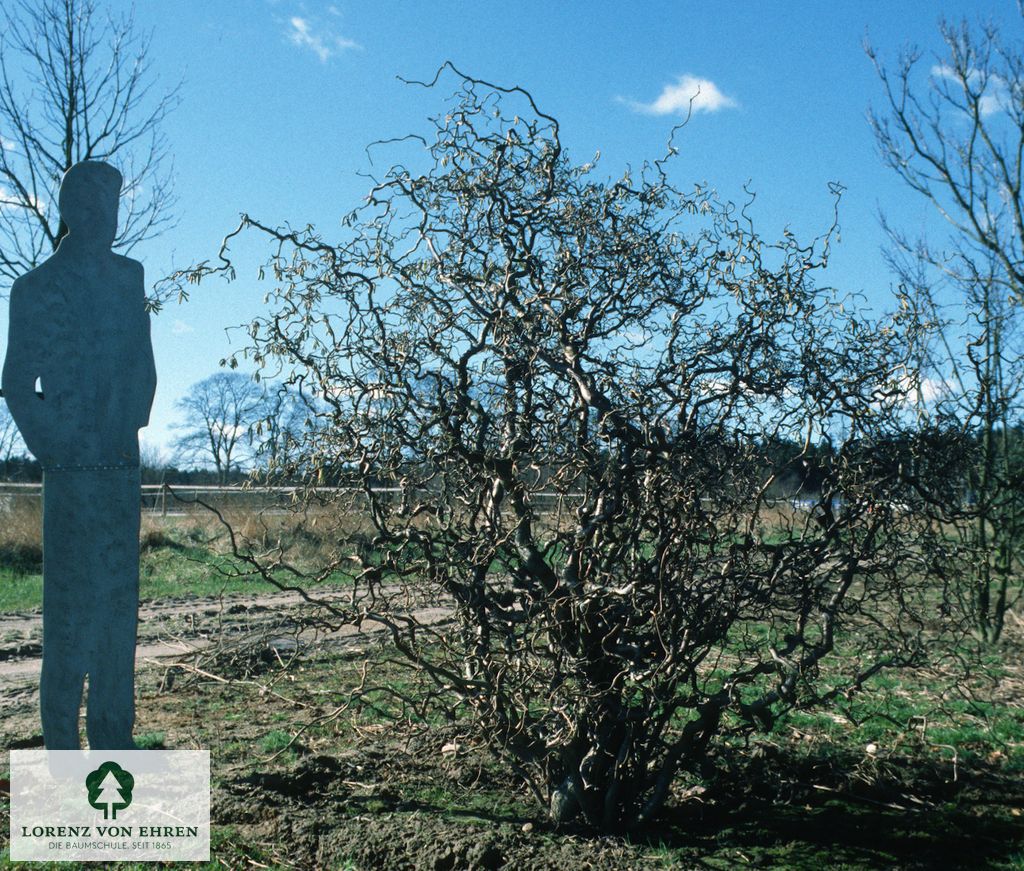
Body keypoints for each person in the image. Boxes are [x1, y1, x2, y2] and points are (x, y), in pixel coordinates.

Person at [2, 161, 156, 749]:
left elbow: (142, 365)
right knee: (67, 619)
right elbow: (17, 383)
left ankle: (117, 744)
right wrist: (57, 448)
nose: (106, 220)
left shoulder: (127, 277)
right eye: (94, 207)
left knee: (118, 614)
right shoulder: (36, 288)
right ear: (71, 209)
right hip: (69, 476)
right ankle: (62, 752)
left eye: (113, 209)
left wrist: (126, 423)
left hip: (119, 468)